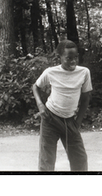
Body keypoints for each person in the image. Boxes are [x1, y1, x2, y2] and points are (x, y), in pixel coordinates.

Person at [32, 40, 92, 171]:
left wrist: (78, 122)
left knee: (79, 159)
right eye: (68, 58)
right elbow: (35, 87)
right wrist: (40, 105)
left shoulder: (84, 72)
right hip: (50, 118)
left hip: (70, 121)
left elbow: (86, 97)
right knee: (46, 160)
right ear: (60, 57)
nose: (73, 61)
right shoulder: (51, 72)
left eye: (76, 57)